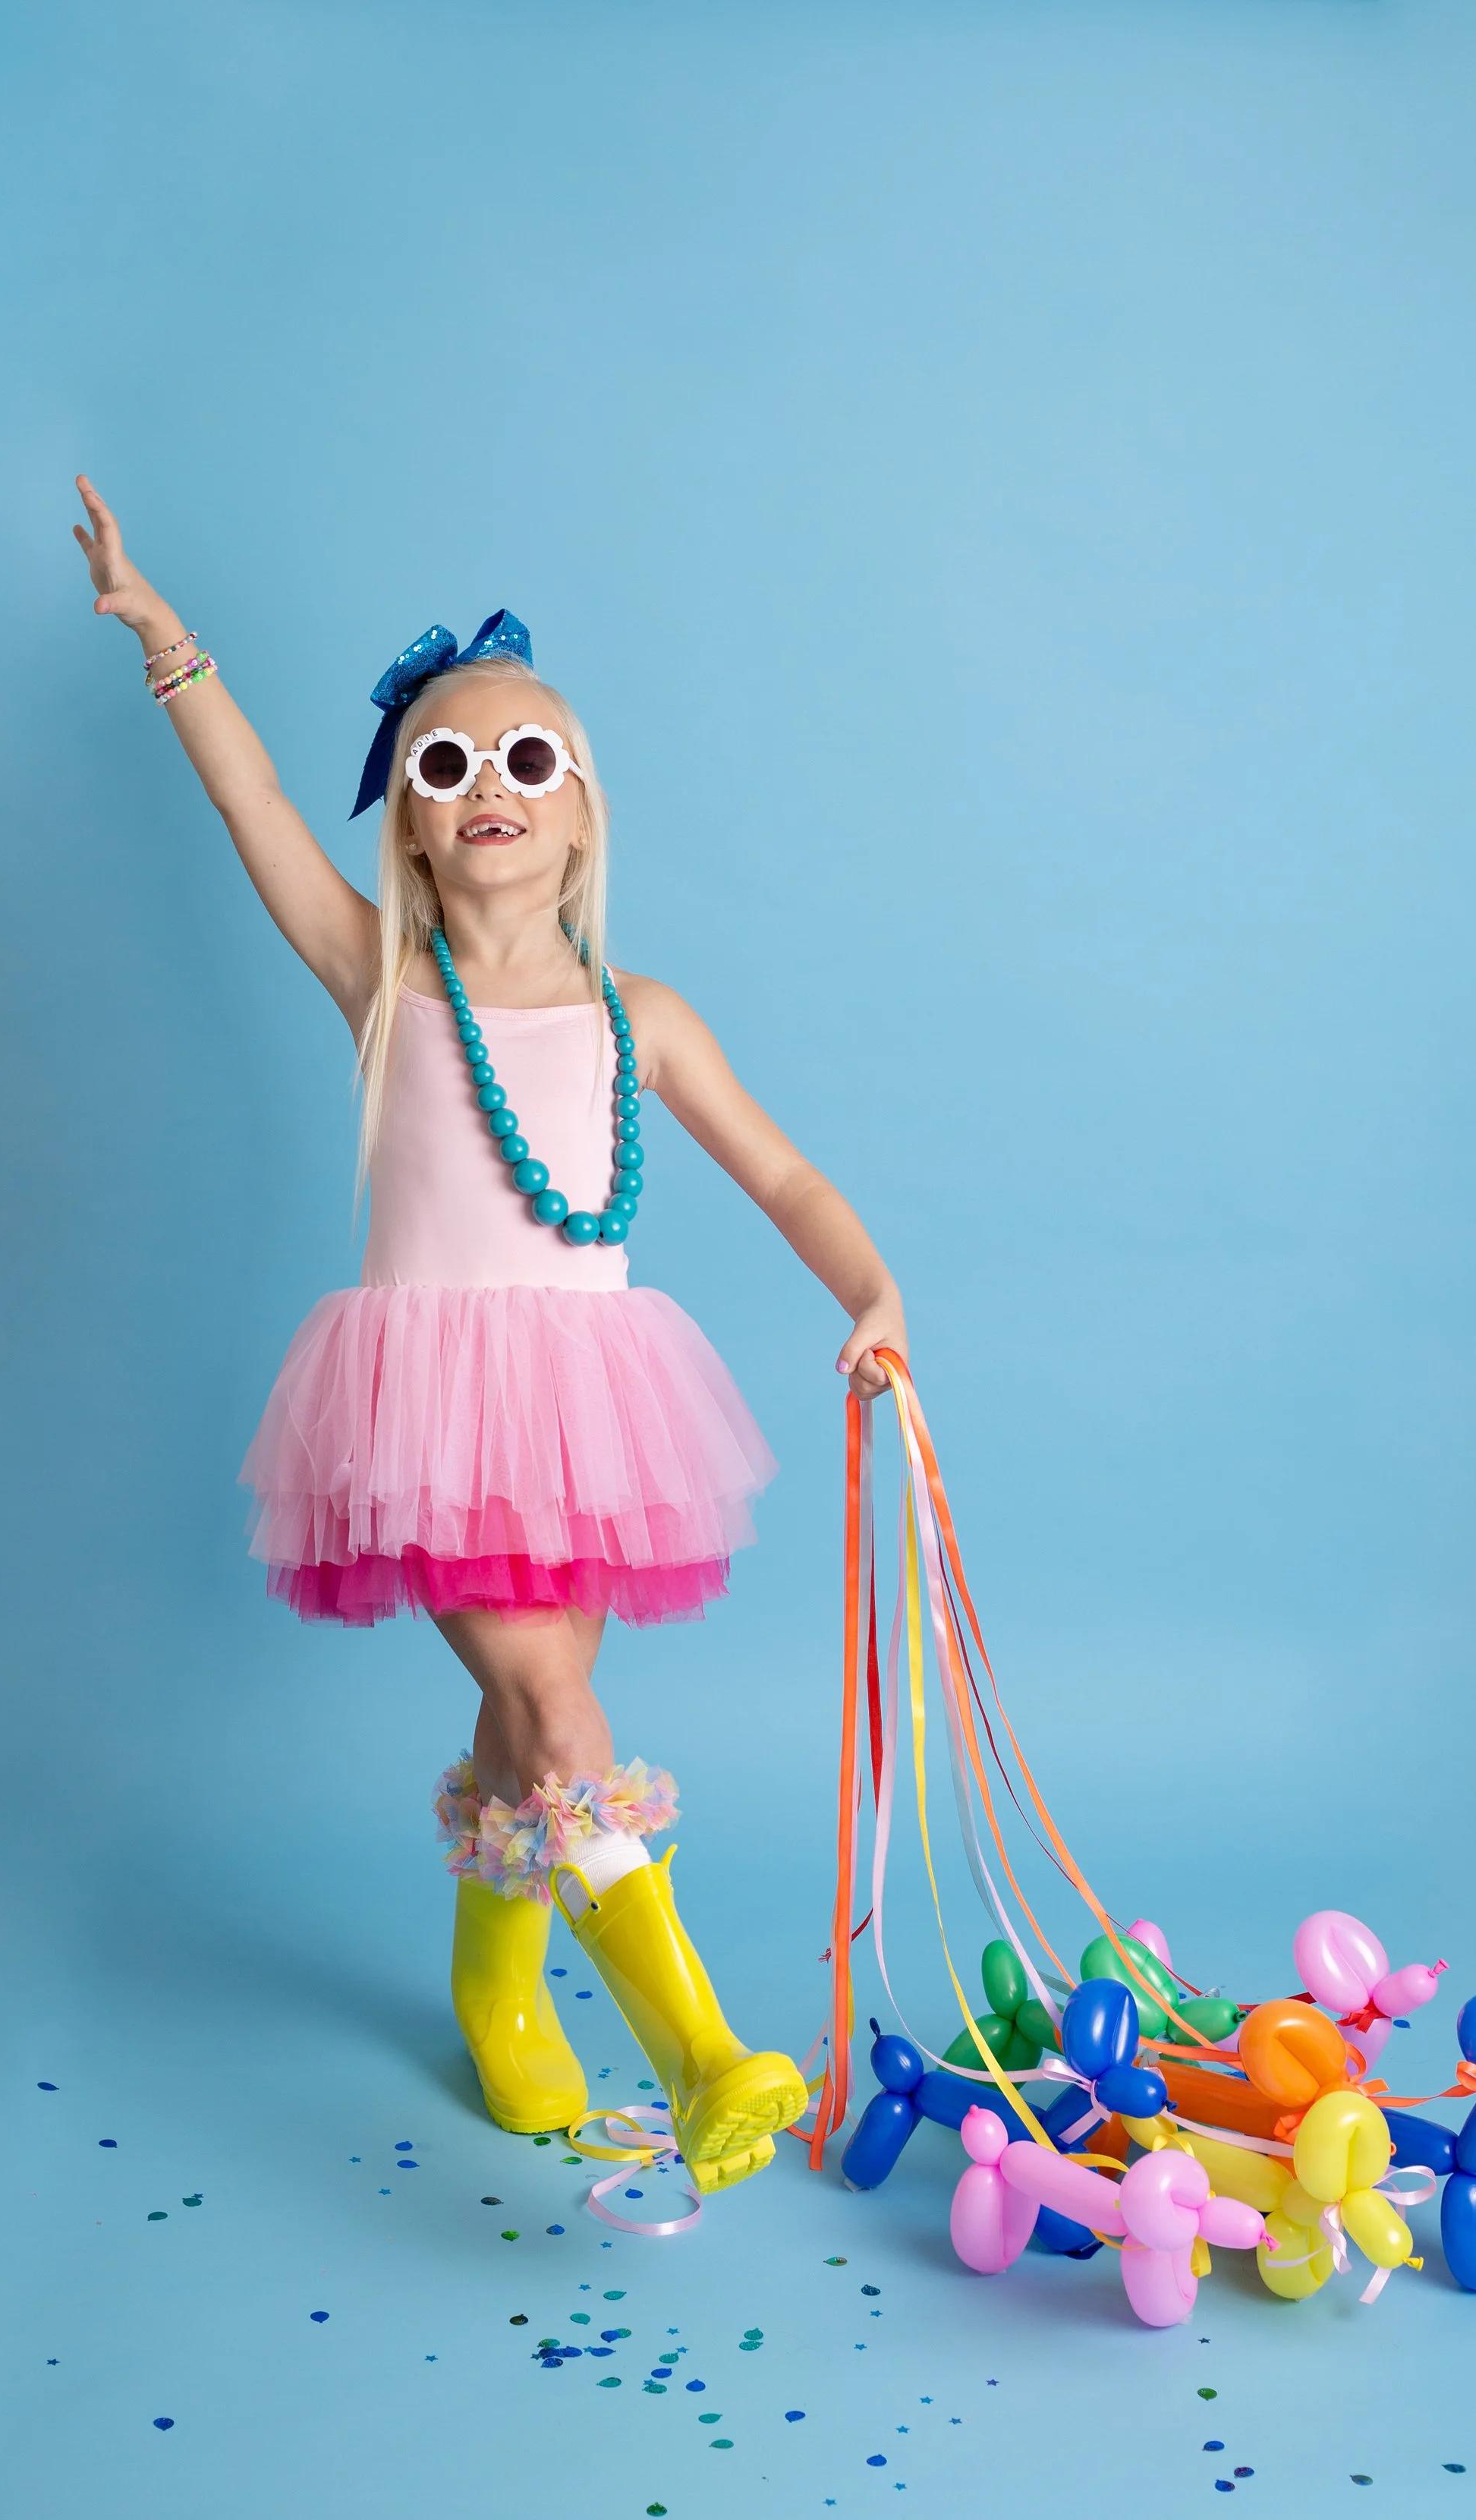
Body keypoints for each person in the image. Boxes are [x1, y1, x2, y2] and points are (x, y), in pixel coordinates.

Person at [71, 477, 907, 2194]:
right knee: (545, 1693)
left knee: (537, 1713)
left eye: (528, 758)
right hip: (424, 1406)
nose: (489, 789)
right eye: (445, 767)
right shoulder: (381, 978)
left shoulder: (643, 1018)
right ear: (412, 824)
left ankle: (496, 1985)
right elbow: (251, 812)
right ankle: (699, 2053)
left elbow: (786, 1167)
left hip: (594, 1408)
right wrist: (170, 647)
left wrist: (870, 1293)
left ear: (584, 811)